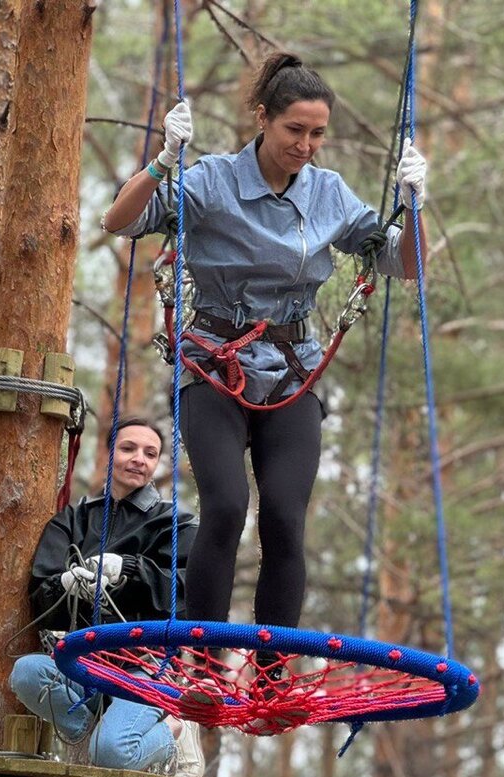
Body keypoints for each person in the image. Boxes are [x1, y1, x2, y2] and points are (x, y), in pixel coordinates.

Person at [101, 54, 429, 657]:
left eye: (317, 133)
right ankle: (201, 659)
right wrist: (162, 162)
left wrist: (416, 205)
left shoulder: (329, 193)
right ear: (263, 119)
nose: (305, 145)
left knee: (284, 516)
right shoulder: (212, 181)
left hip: (291, 372)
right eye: (294, 131)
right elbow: (118, 222)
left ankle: (274, 669)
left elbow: (407, 265)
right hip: (213, 364)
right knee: (225, 506)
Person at [10, 416, 204, 777]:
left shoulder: (174, 523)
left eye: (150, 453)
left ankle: (169, 731)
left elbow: (187, 591)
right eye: (128, 448)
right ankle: (87, 735)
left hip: (144, 665)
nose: (139, 459)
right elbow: (40, 596)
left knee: (113, 751)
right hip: (82, 663)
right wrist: (66, 584)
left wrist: (128, 568)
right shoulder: (73, 520)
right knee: (26, 673)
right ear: (109, 452)